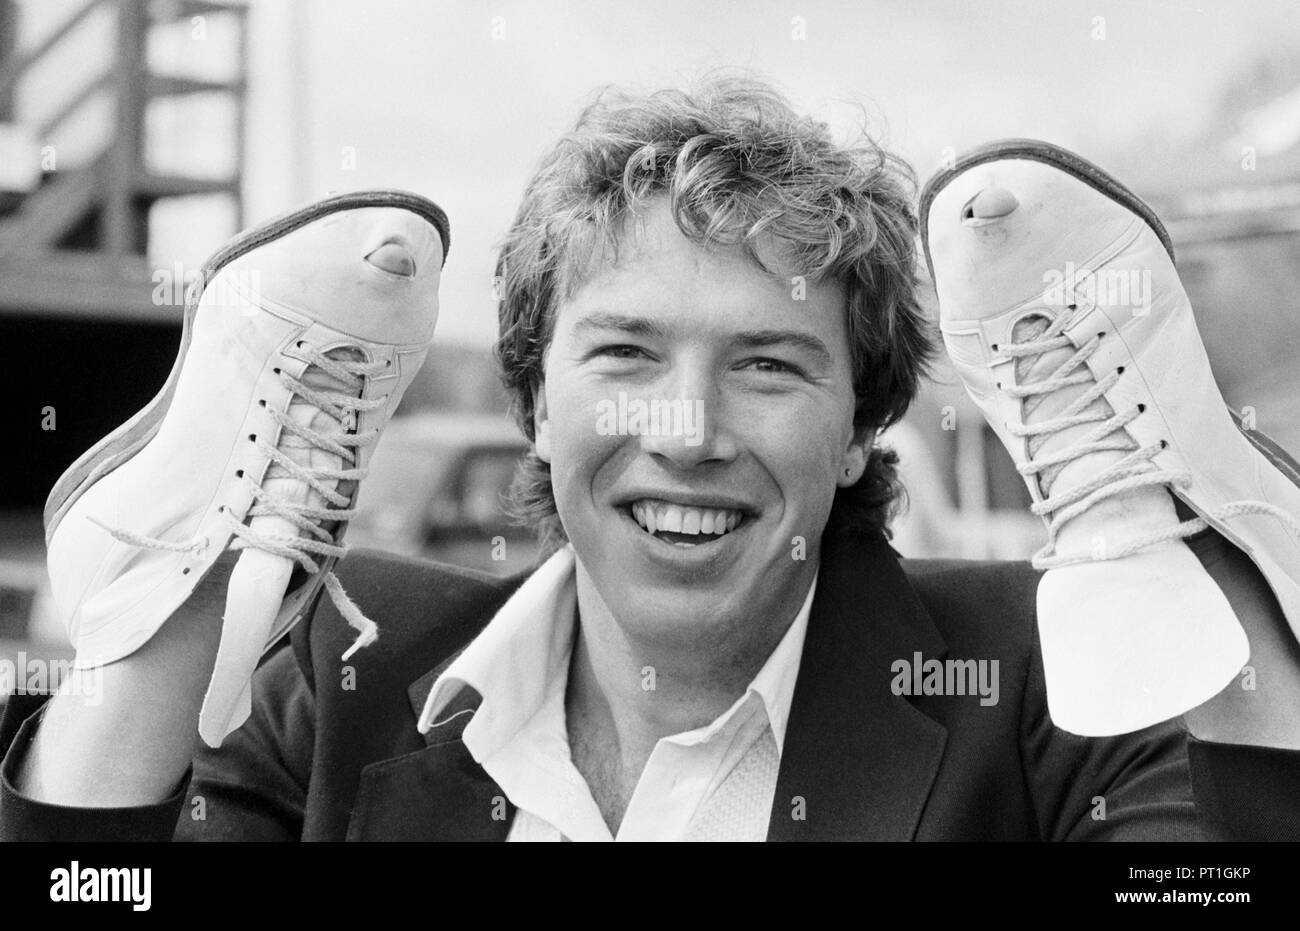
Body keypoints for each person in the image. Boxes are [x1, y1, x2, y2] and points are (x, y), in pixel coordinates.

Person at [3, 77, 1299, 841]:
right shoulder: (345, 672)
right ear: (535, 404)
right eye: (624, 355)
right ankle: (194, 561)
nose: (684, 430)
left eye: (769, 364)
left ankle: (1192, 537)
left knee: (1191, 646)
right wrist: (197, 636)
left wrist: (1215, 649)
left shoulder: (1040, 684)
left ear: (860, 431)